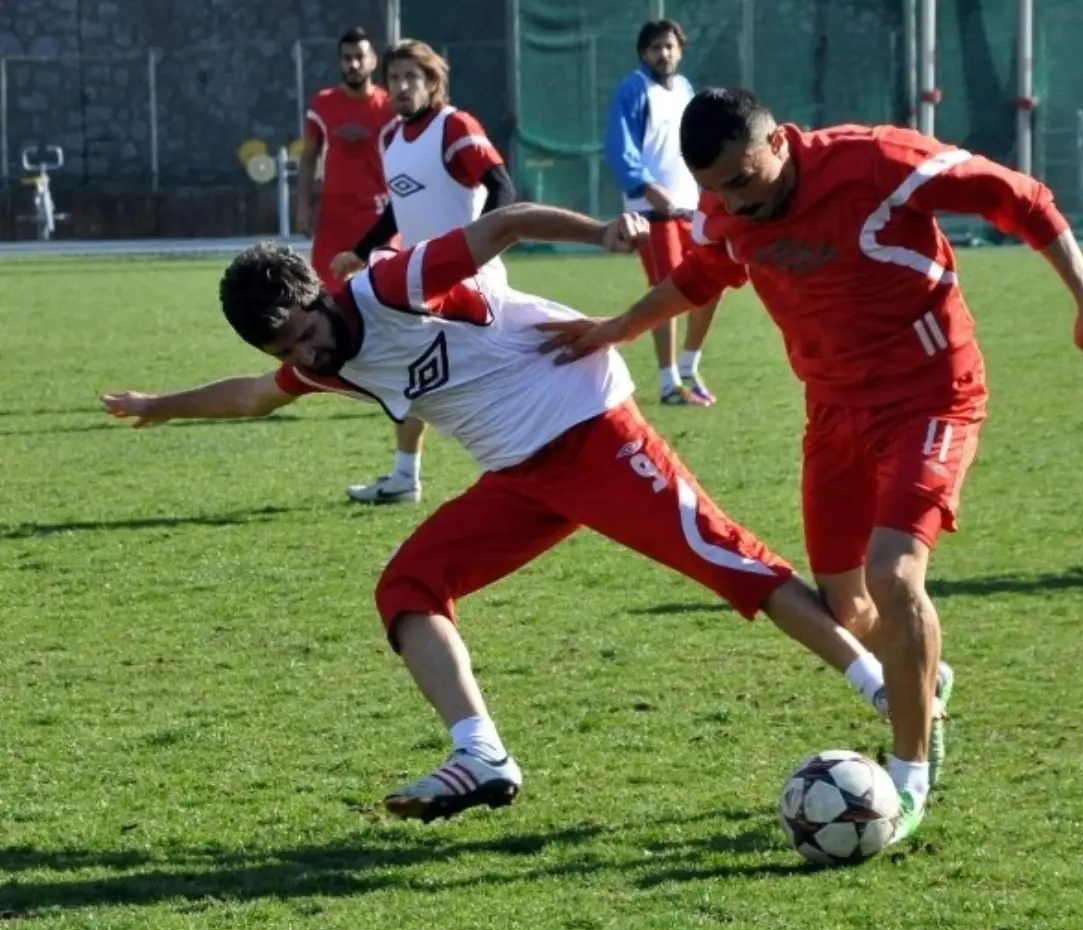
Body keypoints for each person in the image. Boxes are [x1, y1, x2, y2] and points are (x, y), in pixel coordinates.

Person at [101, 202, 894, 827]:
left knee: (728, 562)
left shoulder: (390, 287)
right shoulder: (327, 365)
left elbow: (505, 224)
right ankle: (480, 755)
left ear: (318, 296)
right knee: (408, 587)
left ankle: (891, 689)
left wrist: (601, 234)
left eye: (304, 332)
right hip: (520, 478)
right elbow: (250, 396)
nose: (305, 355)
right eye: (288, 350)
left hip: (588, 427)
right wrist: (159, 406)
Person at [540, 89, 1083, 841]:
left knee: (895, 576)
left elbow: (1019, 198)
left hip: (931, 395)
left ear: (780, 143)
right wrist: (618, 327)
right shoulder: (726, 209)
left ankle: (909, 776)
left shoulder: (877, 162)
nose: (733, 203)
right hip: (832, 413)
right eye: (717, 190)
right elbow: (701, 273)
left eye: (744, 182)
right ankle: (927, 681)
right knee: (847, 608)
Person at [330, 39, 517, 506]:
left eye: (412, 77)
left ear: (433, 82)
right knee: (407, 374)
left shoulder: (454, 126)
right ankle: (405, 477)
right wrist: (359, 251)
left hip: (470, 282)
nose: (401, 86)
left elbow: (502, 188)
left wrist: (475, 251)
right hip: (418, 282)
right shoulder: (391, 137)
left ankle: (519, 468)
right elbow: (400, 209)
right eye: (394, 78)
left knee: (488, 378)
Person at [604, 19, 720, 407]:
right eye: (655, 48)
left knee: (710, 283)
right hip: (651, 211)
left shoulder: (685, 89)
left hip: (690, 205)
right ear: (643, 53)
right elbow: (620, 146)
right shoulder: (634, 88)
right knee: (668, 290)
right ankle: (669, 384)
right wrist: (647, 188)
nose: (663, 54)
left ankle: (689, 366)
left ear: (680, 51)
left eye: (669, 47)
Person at [295, 28, 395, 289]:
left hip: (377, 215)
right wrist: (303, 206)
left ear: (373, 60)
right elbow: (308, 158)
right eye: (347, 58)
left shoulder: (390, 107)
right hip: (333, 217)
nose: (353, 64)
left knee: (384, 291)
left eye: (360, 57)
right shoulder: (323, 104)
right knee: (324, 294)